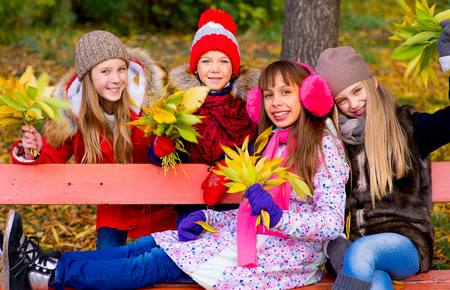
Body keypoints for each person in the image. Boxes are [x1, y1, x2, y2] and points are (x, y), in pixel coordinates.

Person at [3, 60, 349, 290]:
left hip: (287, 259)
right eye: (269, 95)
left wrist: (278, 215)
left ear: (309, 97)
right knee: (149, 243)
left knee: (156, 262)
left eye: (286, 93)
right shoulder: (274, 141)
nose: (275, 103)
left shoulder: (323, 146)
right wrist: (210, 217)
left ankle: (49, 276)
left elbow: (331, 223)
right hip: (257, 244)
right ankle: (42, 263)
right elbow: (253, 216)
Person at [10, 30, 178, 250]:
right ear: (88, 77)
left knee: (153, 263)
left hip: (160, 203)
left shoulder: (152, 106)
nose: (116, 79)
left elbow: (174, 153)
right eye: (105, 71)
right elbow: (50, 159)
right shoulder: (71, 115)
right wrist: (34, 150)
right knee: (107, 262)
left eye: (121, 69)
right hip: (114, 207)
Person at [314, 20, 450, 290]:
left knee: (364, 252)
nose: (353, 104)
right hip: (350, 250)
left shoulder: (408, 127)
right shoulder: (331, 142)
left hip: (406, 242)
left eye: (357, 90)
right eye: (342, 100)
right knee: (375, 282)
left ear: (372, 83)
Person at [148, 9, 259, 214]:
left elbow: (257, 145)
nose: (215, 69)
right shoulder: (181, 103)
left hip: (235, 203)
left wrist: (226, 168)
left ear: (233, 68)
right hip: (190, 201)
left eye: (223, 61)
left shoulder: (246, 104)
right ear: (196, 68)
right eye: (206, 61)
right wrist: (161, 149)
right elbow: (166, 159)